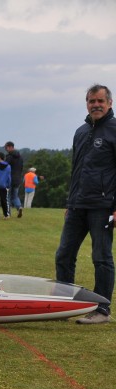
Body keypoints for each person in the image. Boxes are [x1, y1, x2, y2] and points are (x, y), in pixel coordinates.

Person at [55, 83, 116, 325]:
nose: (96, 105)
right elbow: (76, 170)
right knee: (64, 255)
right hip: (77, 205)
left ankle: (102, 310)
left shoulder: (114, 129)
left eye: (100, 101)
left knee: (101, 258)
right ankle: (63, 306)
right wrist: (70, 201)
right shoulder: (80, 132)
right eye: (92, 101)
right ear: (87, 104)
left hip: (102, 206)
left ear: (109, 103)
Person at [5, 141, 24, 218]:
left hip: (10, 178)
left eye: (6, 147)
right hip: (17, 178)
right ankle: (19, 207)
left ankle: (8, 213)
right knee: (15, 196)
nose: (6, 149)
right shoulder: (20, 157)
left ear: (10, 147)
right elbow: (21, 168)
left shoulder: (9, 157)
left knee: (8, 196)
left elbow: (5, 167)